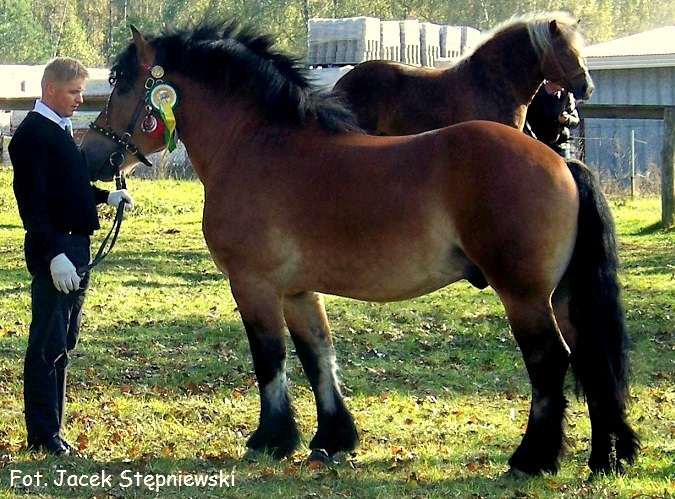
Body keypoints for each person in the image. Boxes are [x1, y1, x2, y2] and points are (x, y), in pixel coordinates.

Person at [9, 57, 134, 456]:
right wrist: (52, 255)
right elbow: (32, 205)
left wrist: (105, 196)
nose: (80, 99)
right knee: (48, 342)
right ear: (49, 89)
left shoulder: (59, 130)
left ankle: (52, 432)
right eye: (73, 92)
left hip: (74, 247)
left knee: (63, 340)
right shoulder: (31, 135)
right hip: (58, 251)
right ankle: (43, 436)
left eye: (81, 91)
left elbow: (67, 189)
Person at [525, 80, 580, 158]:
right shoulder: (535, 95)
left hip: (561, 146)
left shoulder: (566, 96)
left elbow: (576, 121)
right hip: (537, 145)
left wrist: (567, 119)